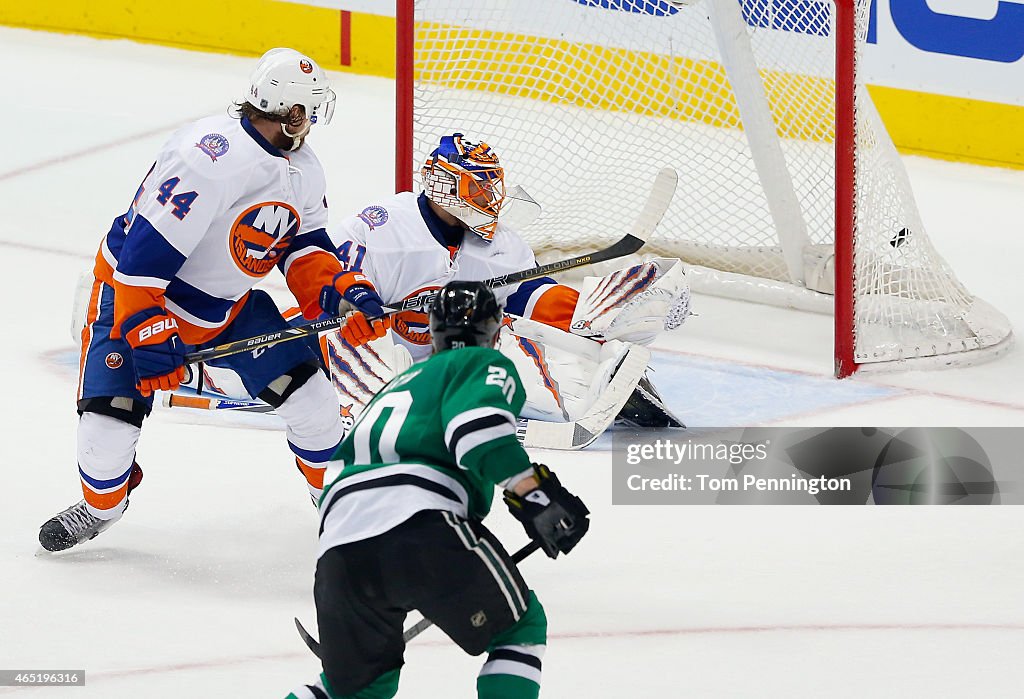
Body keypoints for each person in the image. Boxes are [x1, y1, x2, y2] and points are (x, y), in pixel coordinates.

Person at [38, 48, 389, 552]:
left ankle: (340, 509)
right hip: (134, 298)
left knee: (314, 402)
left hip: (227, 308)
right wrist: (147, 329)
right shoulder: (210, 158)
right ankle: (102, 508)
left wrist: (340, 292)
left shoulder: (303, 168)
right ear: (292, 114)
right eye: (308, 110)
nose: (311, 122)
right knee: (104, 441)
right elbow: (140, 259)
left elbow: (304, 247)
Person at [286, 281, 590, 699]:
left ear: (432, 331)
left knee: (356, 689)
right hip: (419, 522)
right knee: (519, 628)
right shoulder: (480, 363)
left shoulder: (395, 386)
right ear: (496, 330)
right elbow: (476, 431)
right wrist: (536, 498)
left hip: (339, 546)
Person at [324, 132, 689, 430]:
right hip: (367, 358)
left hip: (448, 368)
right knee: (365, 367)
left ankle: (605, 372)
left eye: (491, 189)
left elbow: (529, 300)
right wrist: (352, 305)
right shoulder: (384, 226)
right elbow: (331, 279)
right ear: (444, 186)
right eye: (478, 190)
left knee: (523, 341)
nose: (490, 200)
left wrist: (589, 314)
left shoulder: (501, 245)